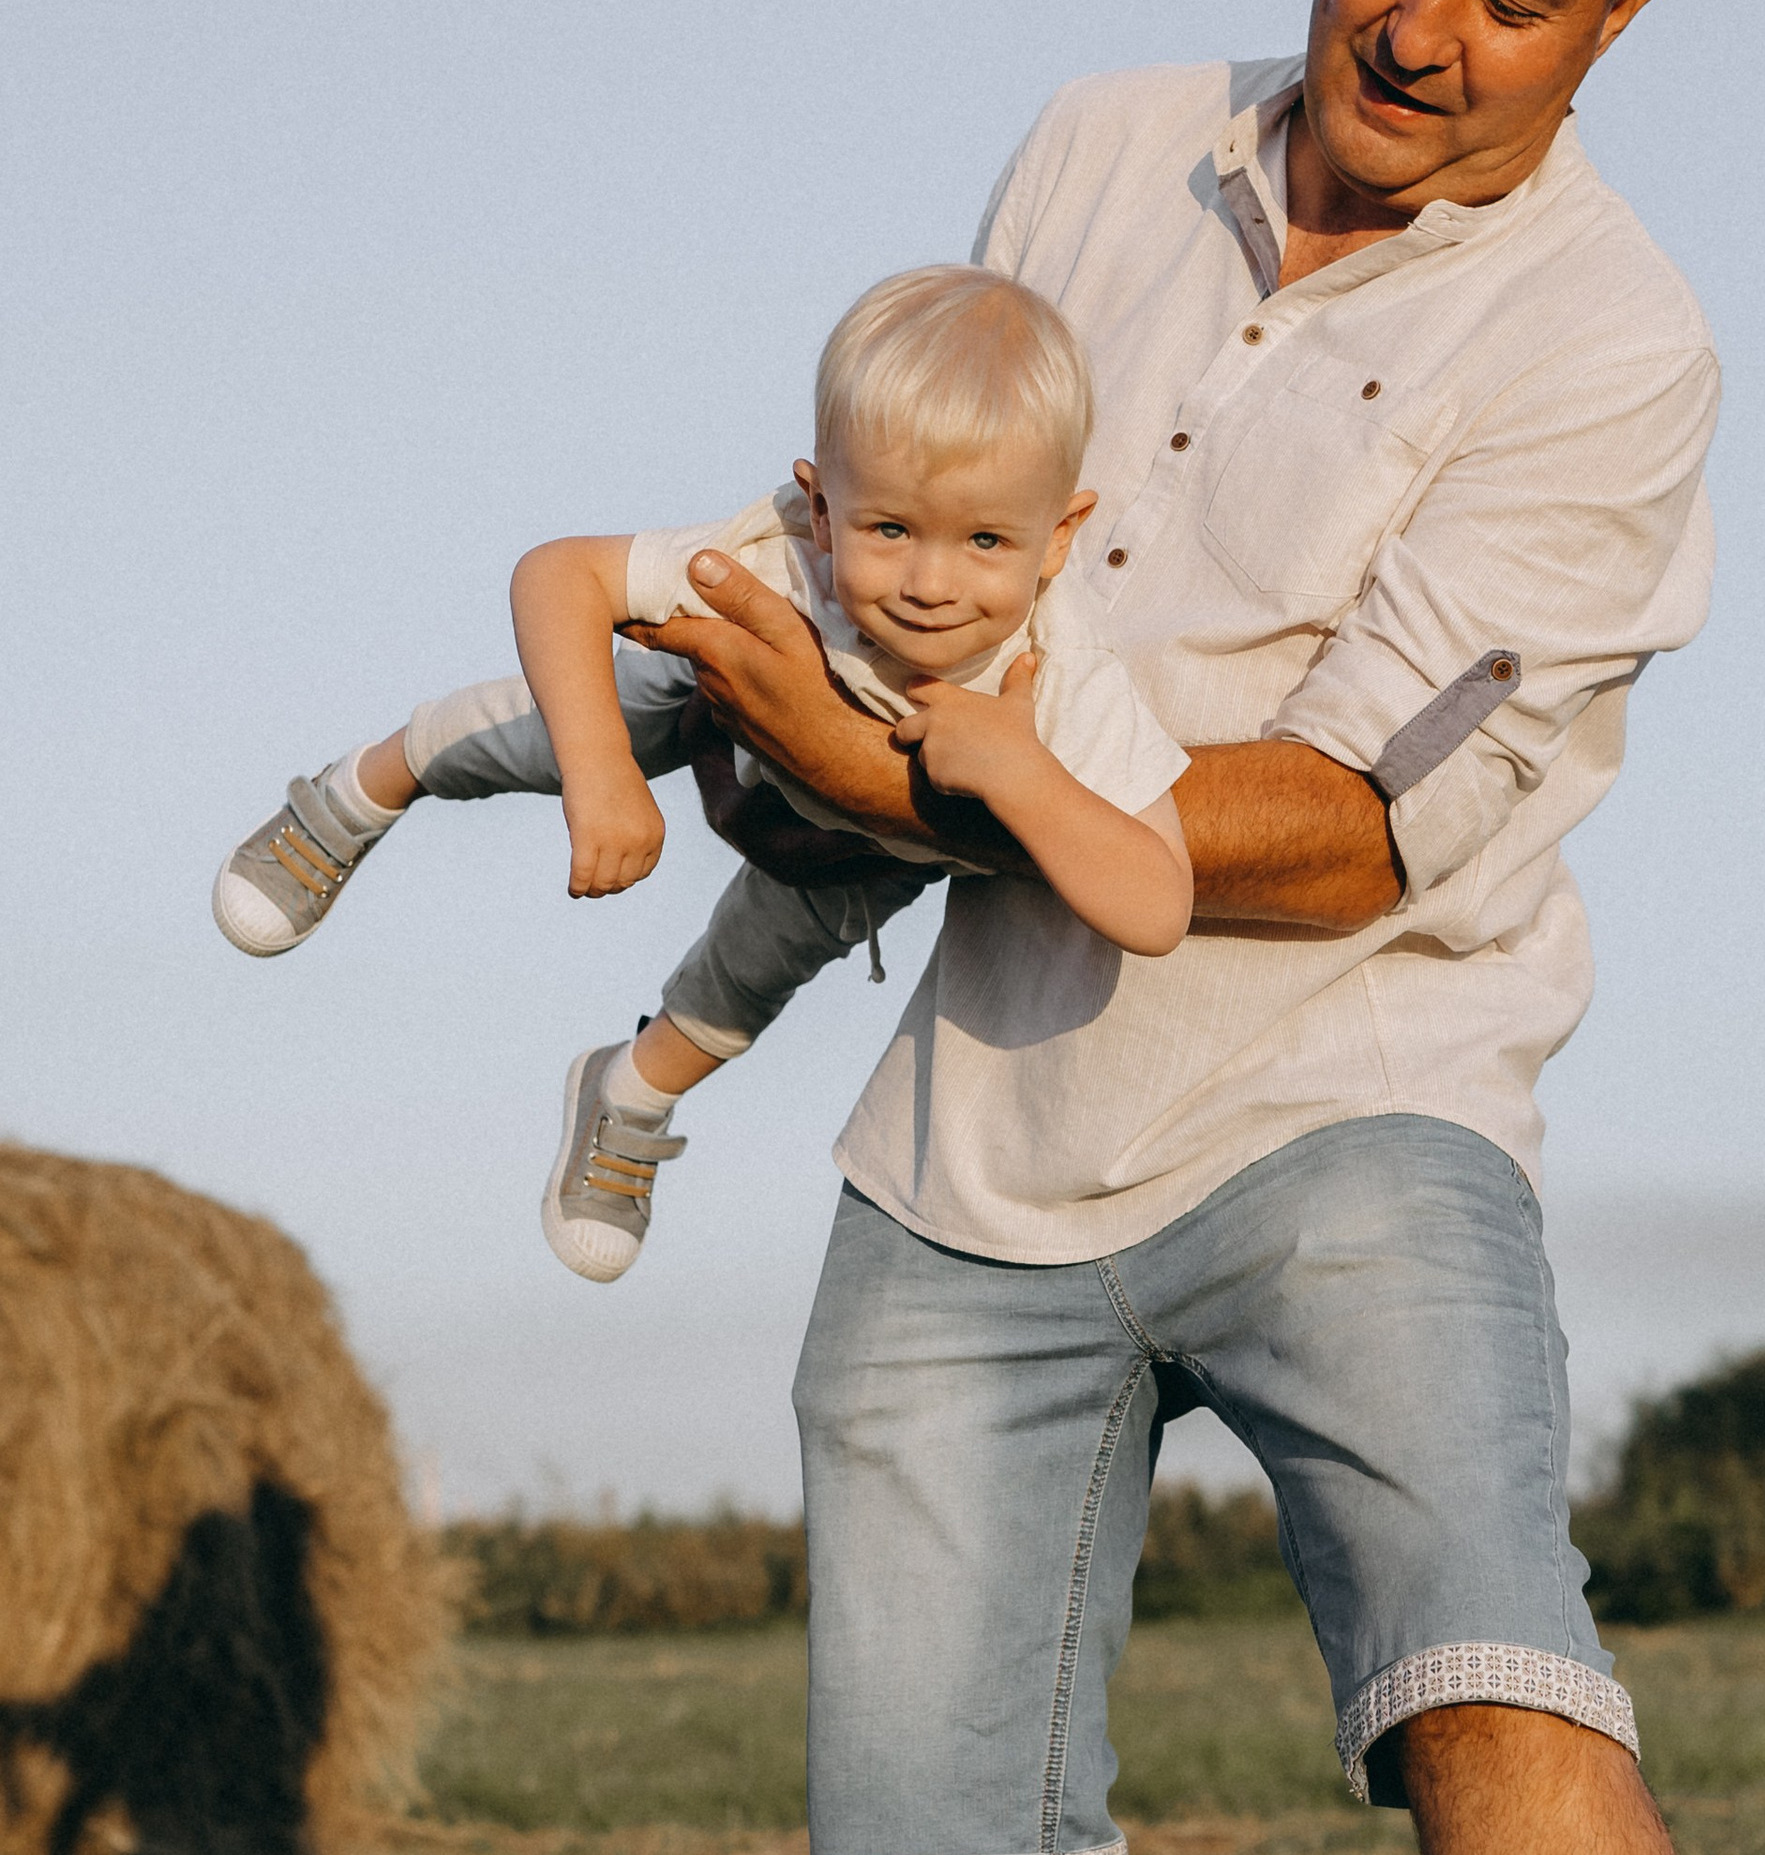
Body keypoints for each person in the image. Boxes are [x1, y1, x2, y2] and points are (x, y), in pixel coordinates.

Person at [633, 0, 1751, 1855]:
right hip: (979, 1126)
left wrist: (913, 745)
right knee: (959, 1843)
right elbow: (938, 548)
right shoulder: (1095, 145)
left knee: (1492, 1692)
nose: (1422, 23)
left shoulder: (1603, 343)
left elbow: (1329, 821)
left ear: (1611, 17)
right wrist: (737, 708)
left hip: (1348, 1082)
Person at [210, 265, 1189, 1280]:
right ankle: (361, 789)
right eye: (888, 529)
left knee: (757, 967)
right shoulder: (772, 566)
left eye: (986, 540)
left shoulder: (1063, 678)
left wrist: (1024, 774)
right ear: (820, 509)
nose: (931, 584)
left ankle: (628, 1093)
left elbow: (1157, 903)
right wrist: (600, 778)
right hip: (705, 703)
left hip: (873, 840)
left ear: (1059, 538)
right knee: (563, 719)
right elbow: (559, 574)